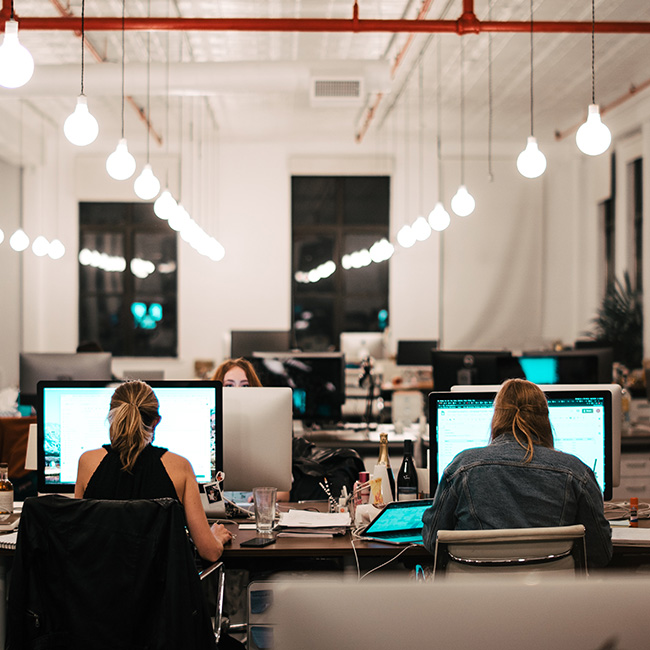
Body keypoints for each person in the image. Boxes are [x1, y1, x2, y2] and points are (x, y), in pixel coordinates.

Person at [422, 378, 613, 568]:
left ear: (496, 417)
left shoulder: (462, 468)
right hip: (552, 595)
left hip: (479, 595)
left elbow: (433, 540)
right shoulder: (577, 472)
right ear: (545, 420)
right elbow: (600, 552)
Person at [74, 380, 232, 563]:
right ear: (156, 421)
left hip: (98, 588)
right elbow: (209, 552)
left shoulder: (87, 462)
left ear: (112, 417)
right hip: (161, 590)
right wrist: (216, 537)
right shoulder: (179, 467)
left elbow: (78, 537)